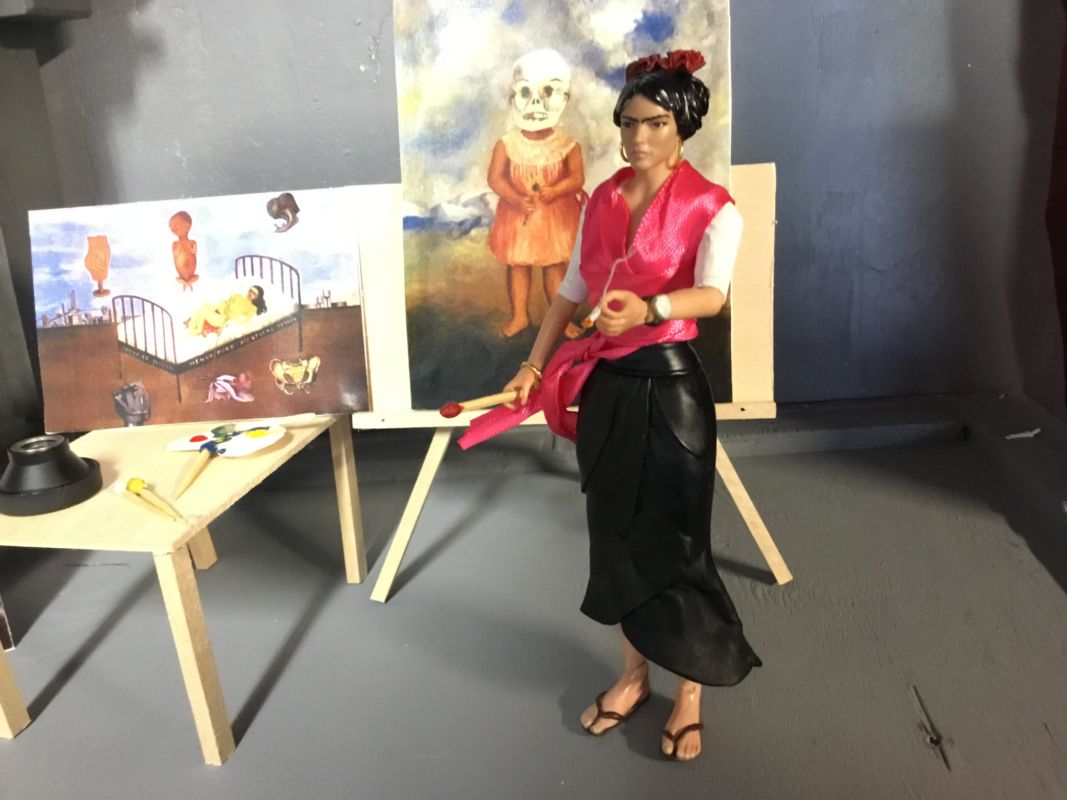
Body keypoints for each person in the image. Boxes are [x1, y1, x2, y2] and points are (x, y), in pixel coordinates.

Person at [459, 49, 761, 762]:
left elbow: (712, 295)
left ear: (681, 126)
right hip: (607, 388)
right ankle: (633, 675)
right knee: (615, 537)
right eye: (628, 123)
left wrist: (652, 308)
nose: (637, 137)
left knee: (677, 541)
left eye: (654, 123)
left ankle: (689, 690)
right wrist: (533, 365)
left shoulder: (712, 206)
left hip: (670, 387)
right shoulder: (600, 200)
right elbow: (570, 291)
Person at [487, 49, 585, 338]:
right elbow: (495, 178)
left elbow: (577, 178)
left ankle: (560, 320)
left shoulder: (568, 144)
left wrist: (556, 190)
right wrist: (515, 198)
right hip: (519, 218)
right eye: (525, 92)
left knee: (555, 269)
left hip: (555, 221)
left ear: (563, 98)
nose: (536, 103)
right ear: (512, 97)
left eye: (548, 92)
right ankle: (520, 316)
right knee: (518, 266)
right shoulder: (507, 143)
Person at [185, 285, 267, 336]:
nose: (250, 293)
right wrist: (224, 303)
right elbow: (227, 302)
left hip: (221, 319)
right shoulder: (238, 296)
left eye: (254, 293)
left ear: (257, 297)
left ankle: (195, 331)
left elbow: (244, 321)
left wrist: (230, 315)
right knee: (203, 304)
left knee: (200, 310)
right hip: (217, 311)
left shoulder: (252, 308)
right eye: (250, 290)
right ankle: (196, 329)